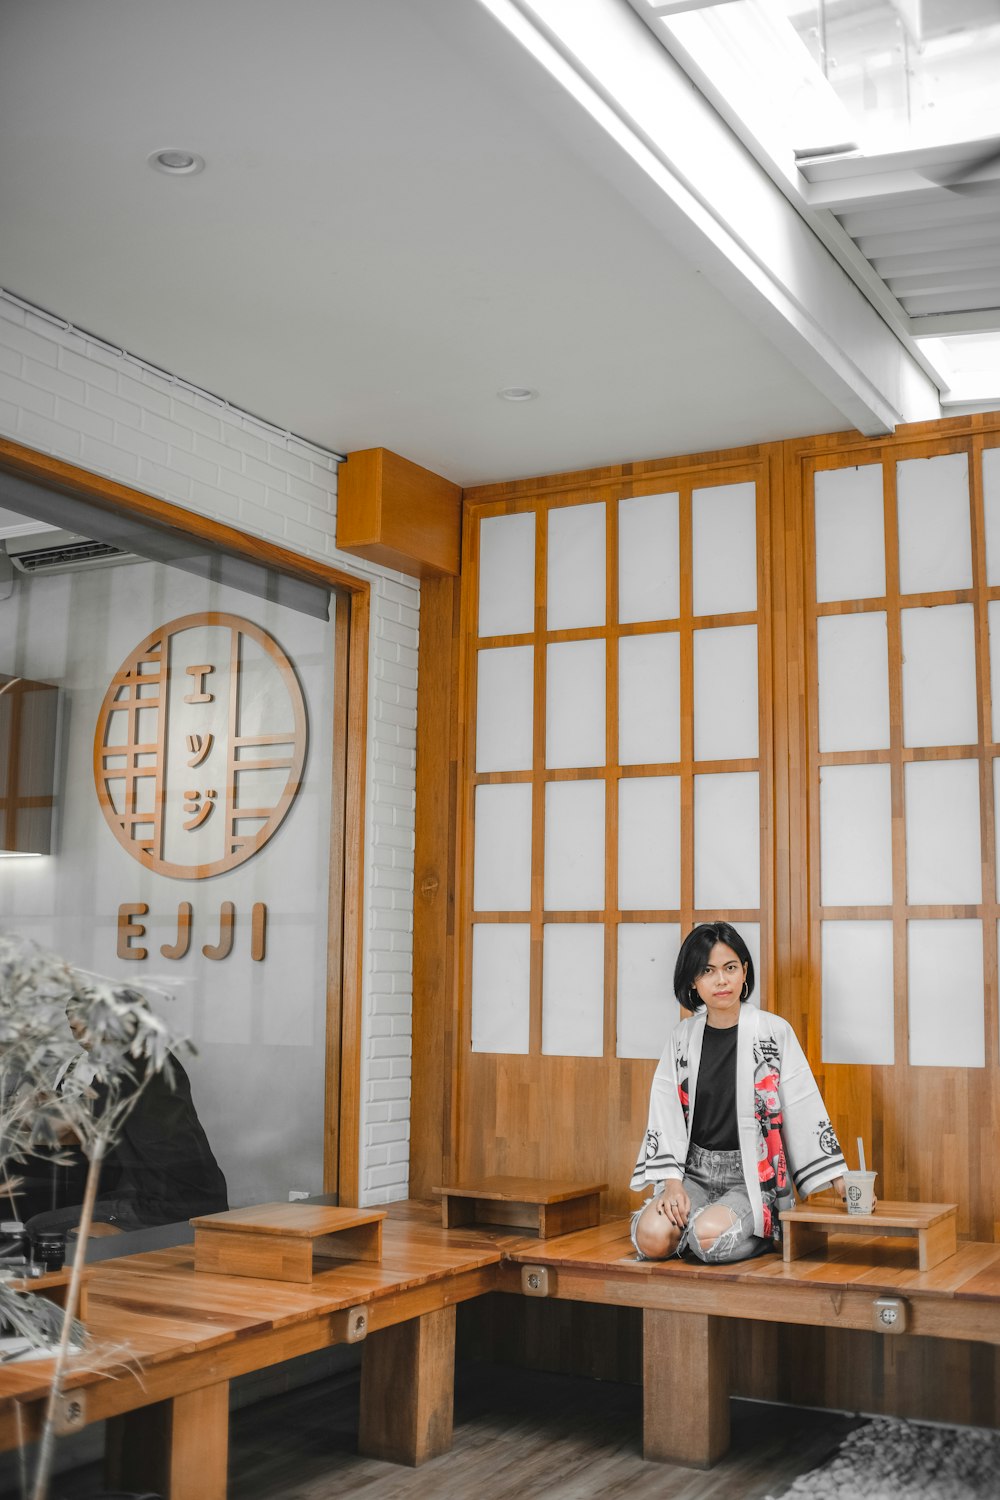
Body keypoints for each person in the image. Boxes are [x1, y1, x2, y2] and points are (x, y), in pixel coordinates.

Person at [630, 921, 849, 1264]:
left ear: (744, 971)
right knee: (652, 1240)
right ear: (693, 981)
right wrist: (672, 1183)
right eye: (707, 971)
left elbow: (803, 1102)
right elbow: (665, 1110)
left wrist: (838, 1179)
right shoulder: (682, 1038)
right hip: (694, 1172)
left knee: (708, 1239)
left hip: (750, 1175)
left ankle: (764, 1230)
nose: (721, 980)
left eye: (730, 968)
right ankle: (720, 1229)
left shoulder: (773, 1032)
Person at [26, 1048, 228, 1239]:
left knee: (38, 1226)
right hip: (205, 1197)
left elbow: (57, 1127)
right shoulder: (156, 1054)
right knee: (101, 1200)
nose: (83, 1038)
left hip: (168, 1208)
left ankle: (125, 1249)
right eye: (74, 1028)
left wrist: (23, 1108)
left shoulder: (124, 1065)